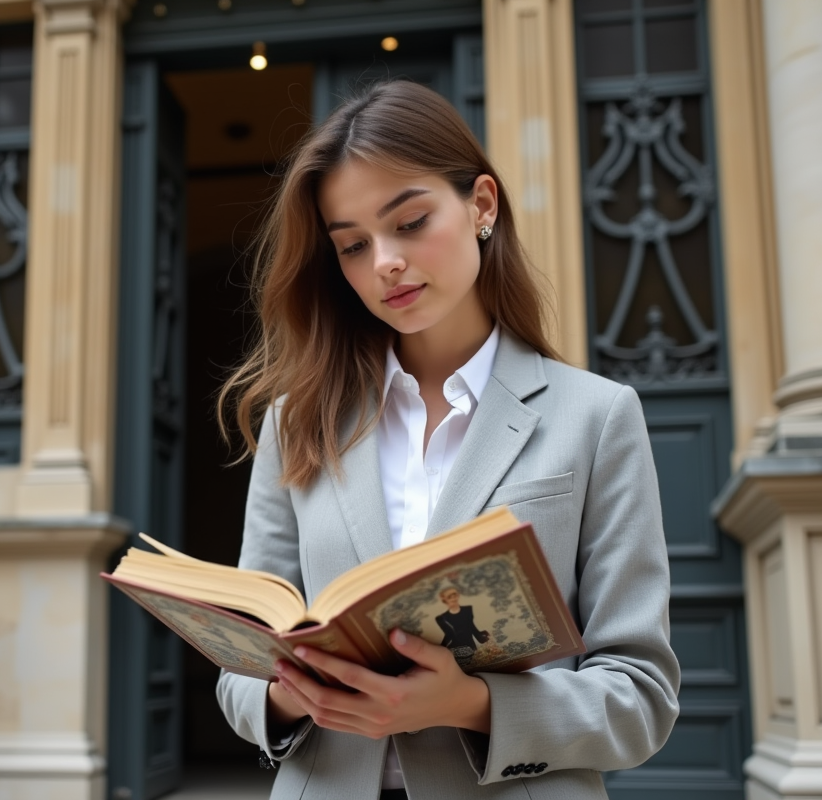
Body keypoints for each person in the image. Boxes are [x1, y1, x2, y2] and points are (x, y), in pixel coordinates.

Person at [215, 80, 679, 800]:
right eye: (353, 246)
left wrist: (469, 704)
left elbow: (641, 700)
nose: (384, 264)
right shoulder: (297, 422)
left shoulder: (597, 416)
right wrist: (290, 693)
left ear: (482, 205)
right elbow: (240, 678)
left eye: (409, 222)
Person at [434, 586, 491, 664]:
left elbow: (471, 626)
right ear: (445, 599)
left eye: (455, 594)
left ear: (458, 595)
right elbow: (449, 635)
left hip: (470, 645)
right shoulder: (441, 618)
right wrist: (440, 649)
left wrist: (481, 636)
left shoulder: (467, 610)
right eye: (450, 596)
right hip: (455, 646)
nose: (453, 598)